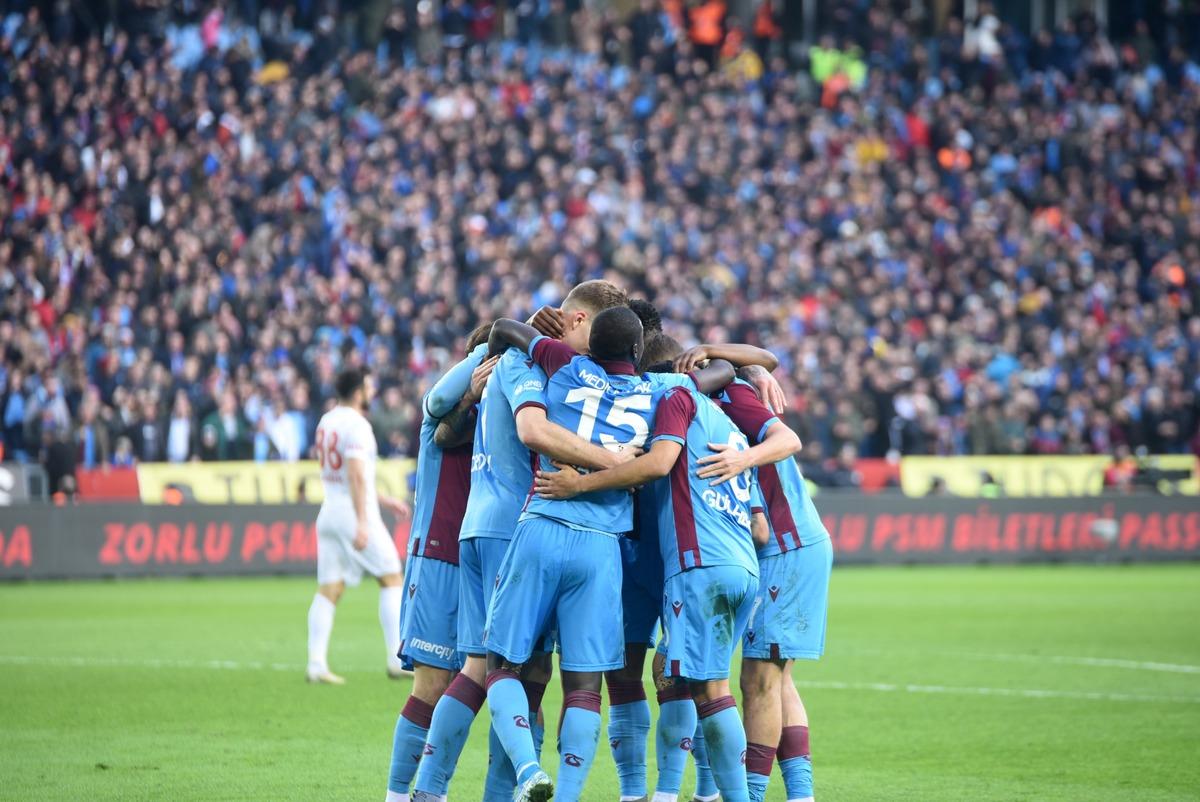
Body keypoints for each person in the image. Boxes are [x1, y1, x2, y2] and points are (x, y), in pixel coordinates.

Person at [483, 307, 735, 802]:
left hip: (543, 523)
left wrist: (538, 329)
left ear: (590, 345)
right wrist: (710, 356)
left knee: (502, 665)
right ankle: (571, 793)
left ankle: (530, 769)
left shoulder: (562, 362)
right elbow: (719, 375)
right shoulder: (660, 390)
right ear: (638, 352)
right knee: (584, 684)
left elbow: (503, 330)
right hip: (601, 547)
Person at [411, 282, 637, 802]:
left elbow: (443, 415)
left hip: (482, 522)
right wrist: (614, 464)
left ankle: (438, 790)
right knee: (503, 671)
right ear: (576, 322)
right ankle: (455, 789)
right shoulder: (538, 369)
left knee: (494, 669)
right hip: (516, 527)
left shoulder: (514, 361)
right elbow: (530, 430)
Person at [535, 339, 769, 802]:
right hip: (711, 560)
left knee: (687, 680)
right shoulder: (728, 430)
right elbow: (759, 526)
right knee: (675, 674)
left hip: (680, 559)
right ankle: (662, 794)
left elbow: (658, 464)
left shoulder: (672, 402)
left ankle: (673, 793)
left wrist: (579, 484)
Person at [706, 372, 831, 802]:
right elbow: (760, 360)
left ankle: (751, 795)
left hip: (785, 546)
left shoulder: (732, 396)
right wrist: (757, 367)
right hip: (794, 545)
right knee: (778, 682)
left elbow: (787, 440)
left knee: (757, 681)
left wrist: (741, 460)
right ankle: (801, 795)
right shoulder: (723, 392)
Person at [387, 323, 496, 802]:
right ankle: (396, 795)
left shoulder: (501, 421)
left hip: (478, 561)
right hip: (436, 557)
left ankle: (432, 790)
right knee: (431, 686)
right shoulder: (441, 420)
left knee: (470, 683)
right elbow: (437, 402)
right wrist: (472, 386)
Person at [307, 367, 412, 685]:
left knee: (330, 588)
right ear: (358, 392)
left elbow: (345, 477)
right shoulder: (358, 425)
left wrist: (384, 499)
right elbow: (354, 474)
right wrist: (364, 521)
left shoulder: (327, 421)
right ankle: (396, 660)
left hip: (330, 510)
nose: (372, 390)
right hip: (354, 513)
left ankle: (315, 663)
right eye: (368, 386)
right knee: (392, 576)